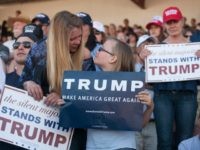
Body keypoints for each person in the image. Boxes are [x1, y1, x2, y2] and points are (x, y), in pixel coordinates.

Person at [23, 10, 86, 150]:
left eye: (80, 37)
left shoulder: (85, 58)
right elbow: (24, 78)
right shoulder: (38, 50)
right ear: (58, 38)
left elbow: (90, 96)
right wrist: (29, 84)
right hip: (42, 127)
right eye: (72, 39)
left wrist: (63, 95)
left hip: (72, 131)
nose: (78, 42)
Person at [140, 6, 200, 150]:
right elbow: (147, 82)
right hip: (163, 97)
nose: (172, 25)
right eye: (169, 22)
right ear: (164, 25)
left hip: (187, 96)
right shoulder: (155, 49)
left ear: (182, 21)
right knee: (164, 142)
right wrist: (144, 62)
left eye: (175, 21)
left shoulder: (195, 47)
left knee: (185, 140)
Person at [86, 37, 154, 150]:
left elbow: (139, 124)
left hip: (122, 146)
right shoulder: (87, 83)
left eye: (102, 49)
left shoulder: (133, 85)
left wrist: (150, 107)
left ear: (113, 58)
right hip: (93, 146)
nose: (97, 50)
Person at [134, 35, 157, 150]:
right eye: (145, 45)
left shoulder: (159, 68)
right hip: (133, 122)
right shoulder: (130, 67)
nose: (148, 49)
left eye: (152, 46)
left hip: (153, 122)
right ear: (137, 49)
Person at [6, 24, 43, 88]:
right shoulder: (4, 80)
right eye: (16, 45)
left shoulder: (48, 82)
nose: (20, 47)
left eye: (27, 44)